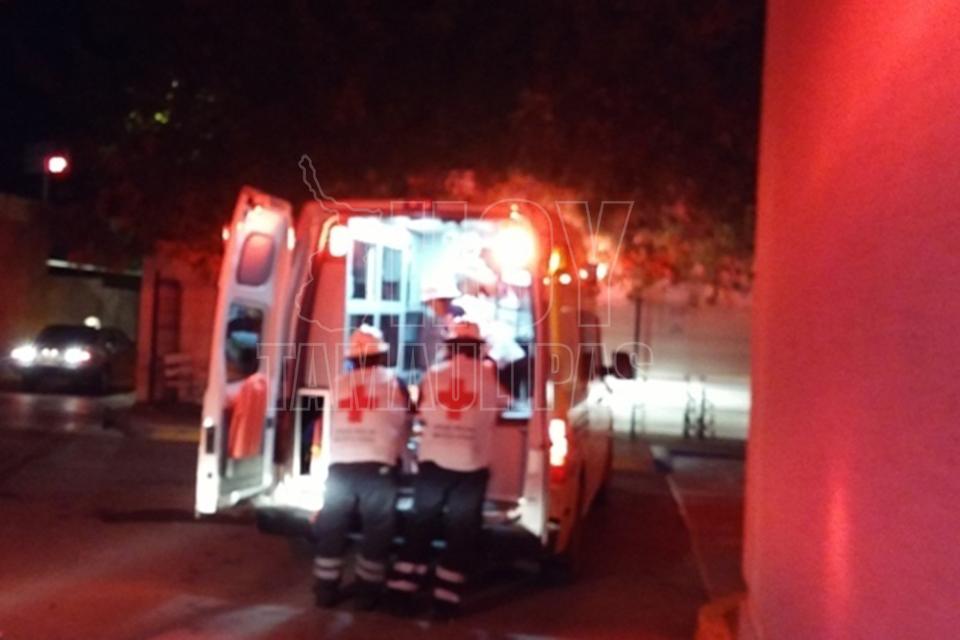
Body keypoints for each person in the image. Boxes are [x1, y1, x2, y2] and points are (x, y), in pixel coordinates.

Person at [387, 318, 508, 617]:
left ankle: (401, 591)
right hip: (470, 468)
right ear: (478, 349)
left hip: (433, 463)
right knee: (460, 533)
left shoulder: (433, 374)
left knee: (420, 525)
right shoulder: (488, 376)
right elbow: (504, 406)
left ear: (450, 347)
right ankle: (444, 600)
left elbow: (421, 411)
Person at [311, 325, 410, 609]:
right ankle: (367, 594)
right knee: (376, 530)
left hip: (339, 467)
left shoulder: (338, 383)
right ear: (381, 355)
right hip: (377, 467)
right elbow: (407, 420)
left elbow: (330, 419)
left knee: (332, 527)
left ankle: (324, 591)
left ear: (352, 358)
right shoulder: (394, 382)